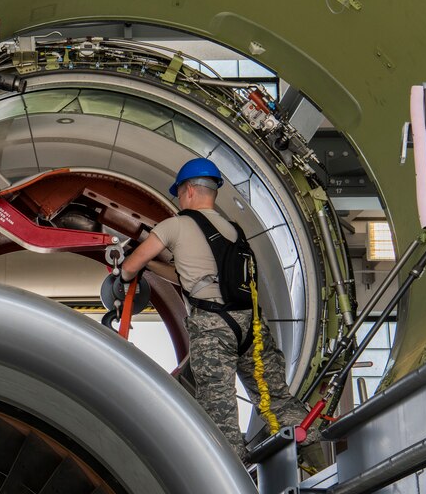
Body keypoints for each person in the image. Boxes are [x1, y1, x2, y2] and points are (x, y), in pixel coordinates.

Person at [119, 157, 321, 467]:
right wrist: (155, 267)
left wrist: (126, 273)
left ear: (188, 190)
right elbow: (192, 278)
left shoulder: (175, 225)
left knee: (220, 411)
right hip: (251, 327)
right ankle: (319, 459)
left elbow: (131, 266)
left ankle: (235, 475)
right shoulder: (233, 230)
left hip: (213, 329)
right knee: (275, 400)